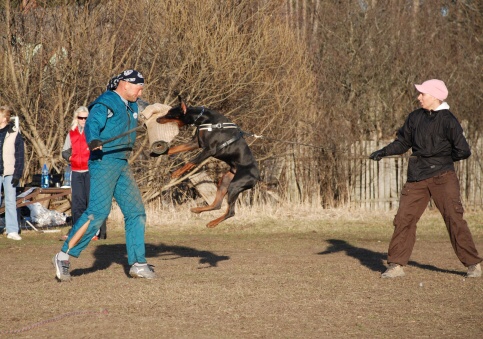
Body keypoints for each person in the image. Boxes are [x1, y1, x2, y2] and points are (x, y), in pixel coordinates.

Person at [369, 79, 482, 279]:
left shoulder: (448, 120)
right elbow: (403, 142)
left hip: (443, 177)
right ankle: (395, 265)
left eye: (423, 94)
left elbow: (463, 150)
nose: (419, 97)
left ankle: (473, 264)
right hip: (417, 178)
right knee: (404, 219)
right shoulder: (414, 118)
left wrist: (441, 159)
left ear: (435, 96)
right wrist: (383, 151)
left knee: (454, 219)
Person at [52, 69, 155, 281]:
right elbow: (92, 124)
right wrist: (93, 140)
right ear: (125, 84)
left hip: (121, 162)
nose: (141, 91)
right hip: (103, 161)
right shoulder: (105, 103)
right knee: (97, 212)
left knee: (136, 212)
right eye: (139, 87)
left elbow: (153, 111)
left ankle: (137, 263)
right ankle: (63, 255)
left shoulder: (134, 104)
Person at [61, 106, 107, 241]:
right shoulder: (71, 133)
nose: (83, 120)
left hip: (90, 170)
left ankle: (94, 232)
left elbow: (101, 150)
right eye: (80, 118)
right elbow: (64, 151)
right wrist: (70, 158)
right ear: (76, 118)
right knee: (77, 203)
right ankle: (76, 231)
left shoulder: (93, 132)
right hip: (76, 171)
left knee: (91, 202)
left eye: (85, 118)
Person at [0, 106, 25, 241]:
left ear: (4, 118)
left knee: (10, 201)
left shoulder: (14, 133)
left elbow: (20, 156)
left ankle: (12, 230)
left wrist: (17, 174)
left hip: (9, 172)